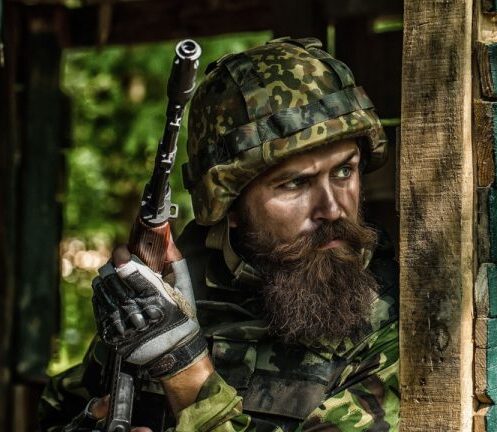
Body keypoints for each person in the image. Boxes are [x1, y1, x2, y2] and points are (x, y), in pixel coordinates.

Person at [39, 37, 400, 432]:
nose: (332, 209)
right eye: (295, 184)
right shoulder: (172, 298)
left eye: (344, 170)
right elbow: (62, 408)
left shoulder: (400, 325)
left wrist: (183, 367)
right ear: (230, 206)